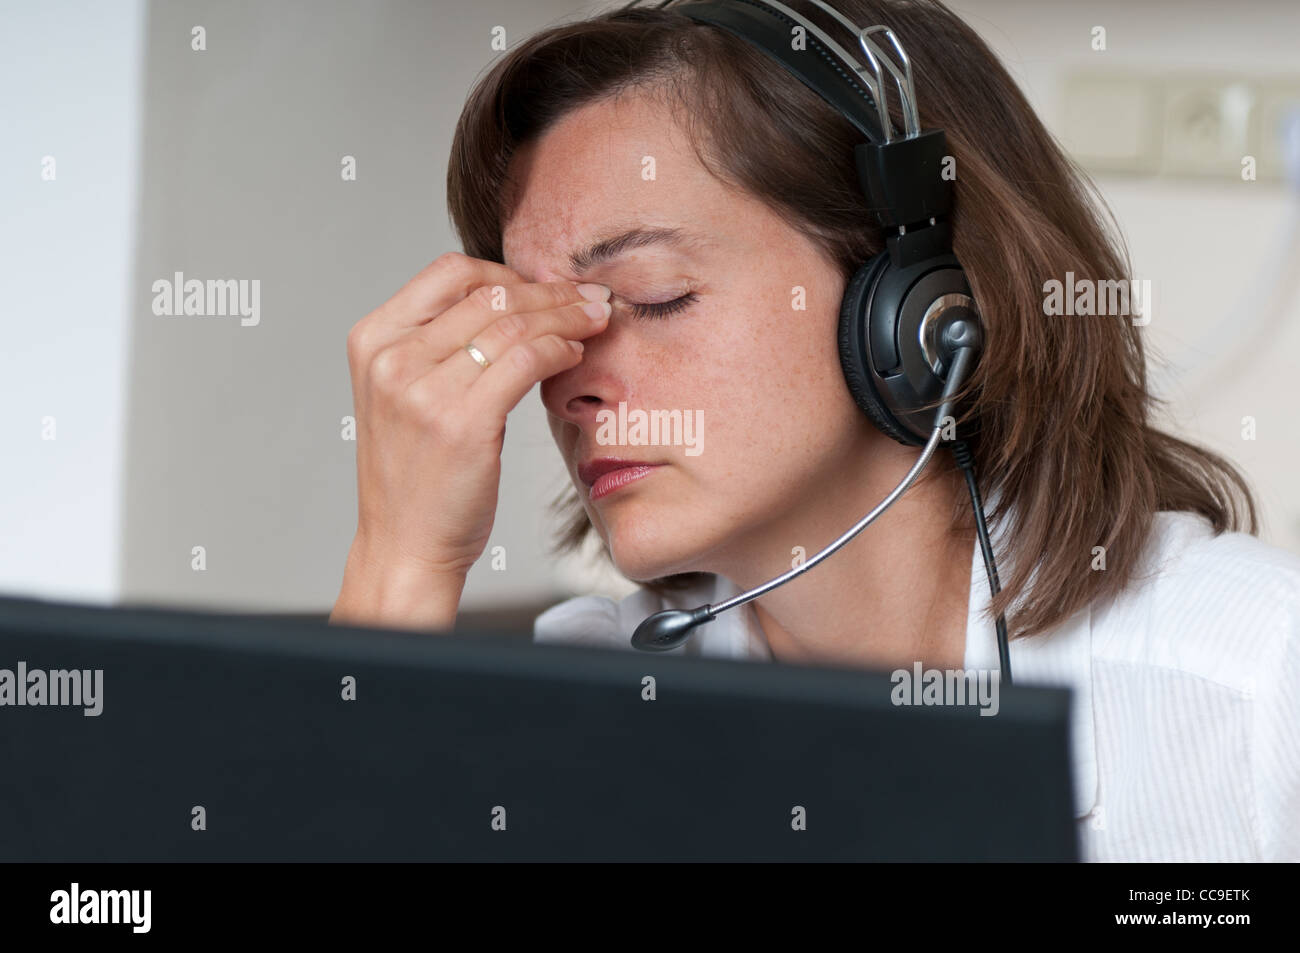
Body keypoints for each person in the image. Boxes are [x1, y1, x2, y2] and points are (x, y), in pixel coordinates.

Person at [329, 0, 1300, 861]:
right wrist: (399, 560)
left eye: (653, 296)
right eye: (542, 324)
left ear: (917, 308)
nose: (568, 384)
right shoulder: (597, 694)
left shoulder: (1258, 679)